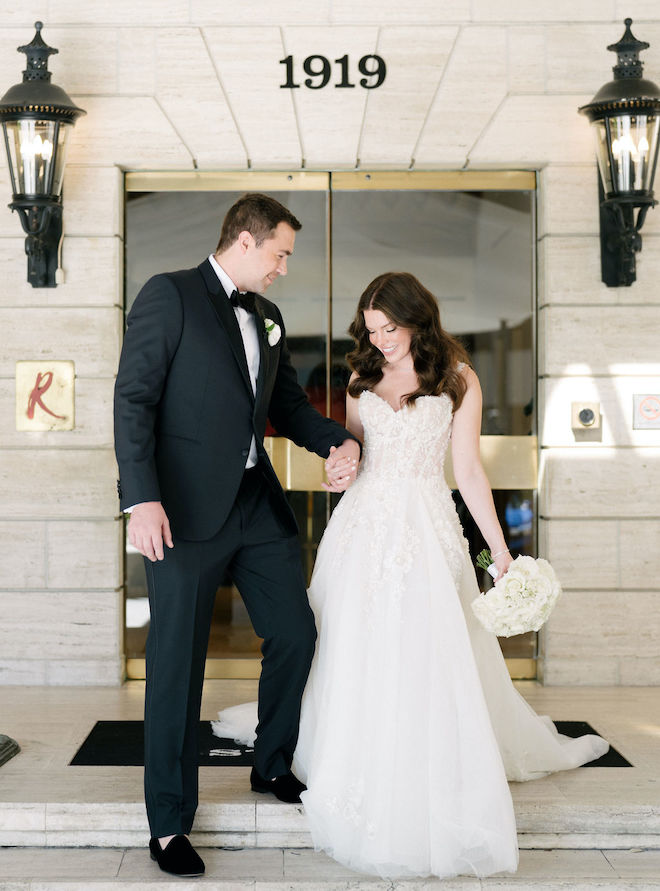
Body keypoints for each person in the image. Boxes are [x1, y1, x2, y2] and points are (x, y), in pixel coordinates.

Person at [215, 271, 609, 880]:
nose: (381, 341)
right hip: (363, 526)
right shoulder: (359, 375)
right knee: (351, 640)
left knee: (426, 648)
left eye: (390, 329)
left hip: (427, 525)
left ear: (417, 320)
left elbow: (469, 472)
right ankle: (346, 747)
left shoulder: (457, 376)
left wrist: (499, 556)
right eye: (371, 330)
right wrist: (338, 470)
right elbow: (352, 450)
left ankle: (427, 754)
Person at [114, 193, 361, 878]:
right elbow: (133, 398)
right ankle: (167, 824)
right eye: (280, 252)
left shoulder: (270, 318)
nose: (284, 267)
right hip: (183, 512)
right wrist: (142, 498)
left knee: (297, 631)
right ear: (246, 242)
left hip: (254, 504)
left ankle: (271, 761)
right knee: (175, 664)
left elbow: (283, 407)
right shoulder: (170, 296)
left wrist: (336, 439)